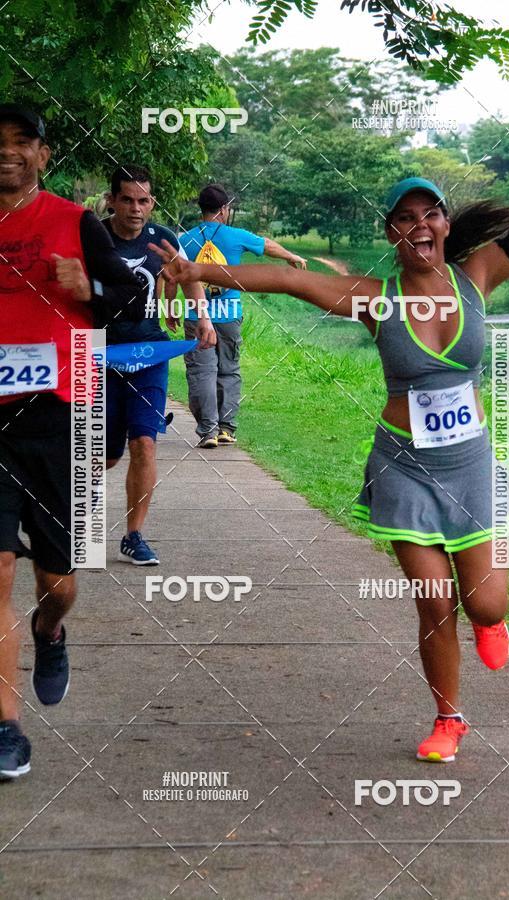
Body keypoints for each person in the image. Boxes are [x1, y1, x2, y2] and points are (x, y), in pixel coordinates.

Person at [151, 164, 509, 762]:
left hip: (469, 466)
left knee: (486, 602)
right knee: (434, 600)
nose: (420, 225)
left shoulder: (479, 275)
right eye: (405, 218)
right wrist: (200, 272)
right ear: (392, 233)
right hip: (405, 469)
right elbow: (287, 280)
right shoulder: (375, 299)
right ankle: (448, 719)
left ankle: (491, 619)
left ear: (445, 224)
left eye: (430, 214)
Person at [0, 105, 146, 779]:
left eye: (21, 142)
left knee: (58, 580)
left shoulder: (76, 221)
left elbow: (133, 301)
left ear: (43, 154)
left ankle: (49, 628)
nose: (8, 152)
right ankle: (6, 727)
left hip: (66, 411)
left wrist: (90, 286)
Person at [103, 166, 215, 565]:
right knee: (103, 455)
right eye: (127, 200)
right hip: (98, 353)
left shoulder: (163, 237)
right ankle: (73, 525)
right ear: (112, 200)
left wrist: (203, 317)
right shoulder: (93, 235)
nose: (136, 208)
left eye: (144, 200)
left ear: (152, 203)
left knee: (145, 442)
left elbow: (190, 276)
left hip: (149, 351)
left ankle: (134, 535)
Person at [179, 183, 307, 448]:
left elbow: (171, 275)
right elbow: (266, 245)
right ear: (224, 209)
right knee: (228, 370)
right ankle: (226, 428)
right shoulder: (235, 236)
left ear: (201, 209)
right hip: (229, 316)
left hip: (196, 315)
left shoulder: (184, 240)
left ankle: (208, 431)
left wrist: (169, 306)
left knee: (202, 372)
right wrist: (290, 256)